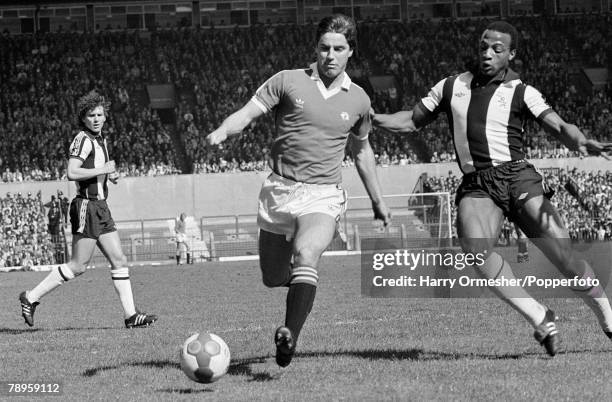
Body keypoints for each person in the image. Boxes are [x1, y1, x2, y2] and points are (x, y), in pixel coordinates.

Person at [372, 21, 612, 356]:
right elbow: (411, 120)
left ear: (511, 54)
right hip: (478, 185)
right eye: (483, 46)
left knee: (564, 257)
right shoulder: (450, 86)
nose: (487, 53)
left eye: (497, 49)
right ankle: (540, 316)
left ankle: (607, 316)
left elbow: (558, 124)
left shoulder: (521, 91)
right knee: (474, 249)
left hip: (517, 178)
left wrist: (581, 141)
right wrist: (373, 119)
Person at [206, 14, 391, 367]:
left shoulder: (359, 100)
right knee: (273, 277)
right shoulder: (288, 81)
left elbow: (363, 151)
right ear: (315, 48)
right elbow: (246, 114)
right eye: (324, 48)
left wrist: (378, 202)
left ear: (351, 51)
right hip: (279, 192)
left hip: (323, 194)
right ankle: (301, 287)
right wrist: (222, 131)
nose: (330, 56)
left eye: (339, 48)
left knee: (307, 253)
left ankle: (289, 335)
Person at [19, 91, 157, 329]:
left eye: (99, 114)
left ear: (105, 116)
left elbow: (98, 169)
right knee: (78, 266)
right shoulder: (82, 139)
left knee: (119, 259)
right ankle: (31, 297)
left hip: (101, 207)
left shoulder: (100, 139)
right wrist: (101, 169)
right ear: (83, 118)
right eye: (91, 115)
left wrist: (109, 174)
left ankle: (131, 315)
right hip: (86, 206)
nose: (95, 118)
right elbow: (72, 172)